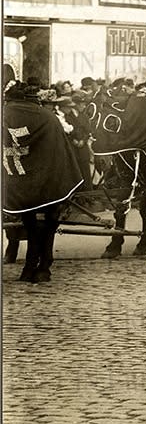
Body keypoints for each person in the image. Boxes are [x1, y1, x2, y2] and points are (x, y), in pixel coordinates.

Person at [2, 81, 84, 284]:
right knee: (50, 220)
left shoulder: (5, 114)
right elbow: (58, 149)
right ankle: (43, 265)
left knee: (30, 221)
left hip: (18, 176)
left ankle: (31, 265)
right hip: (48, 175)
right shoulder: (47, 117)